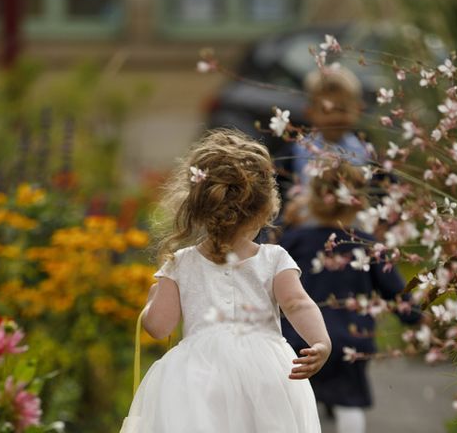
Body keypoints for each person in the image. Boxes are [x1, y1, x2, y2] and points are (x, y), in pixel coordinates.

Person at [121, 128, 332, 433]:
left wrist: (153, 300)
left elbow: (159, 327)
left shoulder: (179, 263)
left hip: (197, 378)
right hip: (264, 373)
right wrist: (320, 343)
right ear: (264, 208)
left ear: (198, 207)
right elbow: (297, 303)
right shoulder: (274, 259)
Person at [279, 161, 420, 433]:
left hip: (300, 338)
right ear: (358, 202)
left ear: (314, 197)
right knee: (349, 402)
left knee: (296, 404)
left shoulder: (294, 240)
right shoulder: (367, 245)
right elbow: (395, 291)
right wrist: (413, 318)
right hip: (350, 340)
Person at [276, 66, 370, 204]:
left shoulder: (367, 154)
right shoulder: (293, 155)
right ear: (309, 112)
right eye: (326, 111)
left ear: (359, 109)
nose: (335, 118)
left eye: (343, 109)